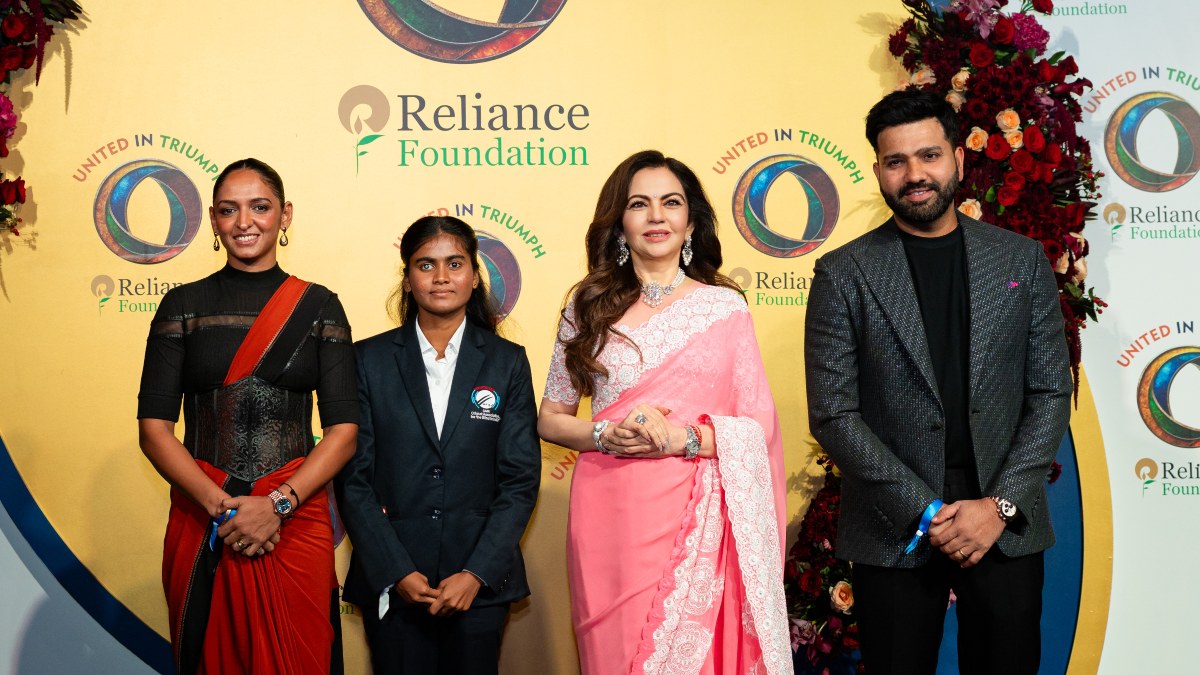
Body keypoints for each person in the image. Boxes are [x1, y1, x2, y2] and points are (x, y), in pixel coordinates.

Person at [804, 89, 1073, 675]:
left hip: (1004, 521)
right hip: (893, 524)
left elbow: (1052, 391)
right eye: (896, 162)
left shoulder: (1021, 261)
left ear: (957, 157)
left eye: (928, 156)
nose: (914, 174)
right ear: (877, 170)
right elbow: (832, 413)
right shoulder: (843, 273)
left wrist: (998, 505)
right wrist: (924, 510)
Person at [538, 150, 793, 675]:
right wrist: (606, 434)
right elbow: (551, 417)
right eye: (639, 204)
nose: (656, 217)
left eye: (670, 203)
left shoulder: (725, 308)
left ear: (691, 221)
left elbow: (758, 429)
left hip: (698, 509)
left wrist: (681, 439)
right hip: (608, 511)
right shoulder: (586, 305)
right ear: (619, 223)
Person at [137, 158, 359, 674]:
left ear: (285, 216)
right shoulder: (182, 306)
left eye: (260, 207)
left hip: (296, 521)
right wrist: (227, 510)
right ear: (213, 222)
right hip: (205, 519)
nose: (245, 222)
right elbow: (154, 430)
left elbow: (345, 431)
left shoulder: (321, 305)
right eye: (228, 210)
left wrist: (276, 505)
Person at [335, 216, 541, 675]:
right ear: (407, 279)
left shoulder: (507, 362)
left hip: (480, 585)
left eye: (455, 263)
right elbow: (354, 480)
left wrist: (475, 574)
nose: (442, 276)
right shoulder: (367, 360)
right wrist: (397, 571)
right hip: (394, 582)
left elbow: (521, 479)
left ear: (474, 275)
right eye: (425, 264)